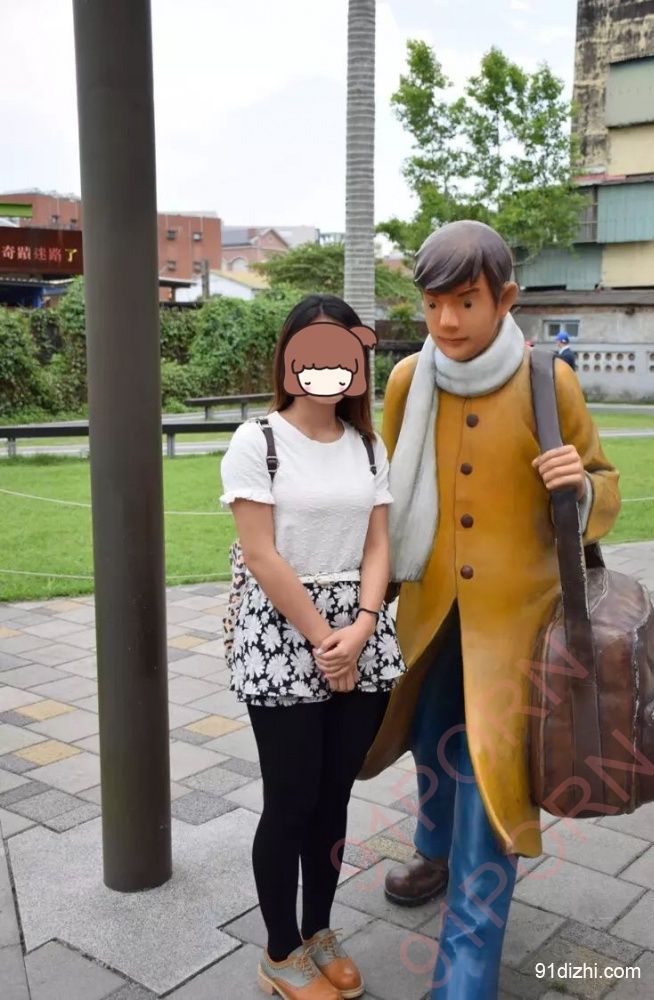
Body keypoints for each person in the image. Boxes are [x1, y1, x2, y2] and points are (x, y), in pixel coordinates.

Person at [358, 221, 620, 999]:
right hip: (428, 611)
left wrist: (580, 485)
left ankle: (465, 974)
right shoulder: (409, 380)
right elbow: (388, 493)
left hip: (516, 624)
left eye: (465, 302)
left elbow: (604, 484)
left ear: (505, 299)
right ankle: (432, 849)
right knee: (429, 739)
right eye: (433, 303)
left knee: (488, 784)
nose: (446, 321)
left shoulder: (548, 381)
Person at [220, 293, 406, 1000]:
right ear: (290, 359)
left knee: (333, 798)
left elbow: (379, 543)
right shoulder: (257, 441)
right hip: (282, 632)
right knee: (291, 800)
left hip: (361, 629)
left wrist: (362, 627)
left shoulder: (368, 445)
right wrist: (327, 640)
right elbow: (260, 555)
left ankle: (319, 929)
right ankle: (279, 951)